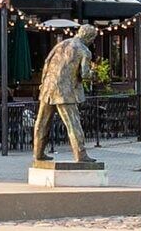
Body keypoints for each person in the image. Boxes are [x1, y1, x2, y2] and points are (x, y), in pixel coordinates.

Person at [29, 26, 93, 168]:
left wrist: (43, 83)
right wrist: (93, 74)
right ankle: (81, 154)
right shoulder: (84, 51)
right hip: (65, 91)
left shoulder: (61, 44)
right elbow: (85, 74)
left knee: (42, 122)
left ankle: (38, 153)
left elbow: (47, 63)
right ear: (89, 38)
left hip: (48, 87)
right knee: (73, 123)